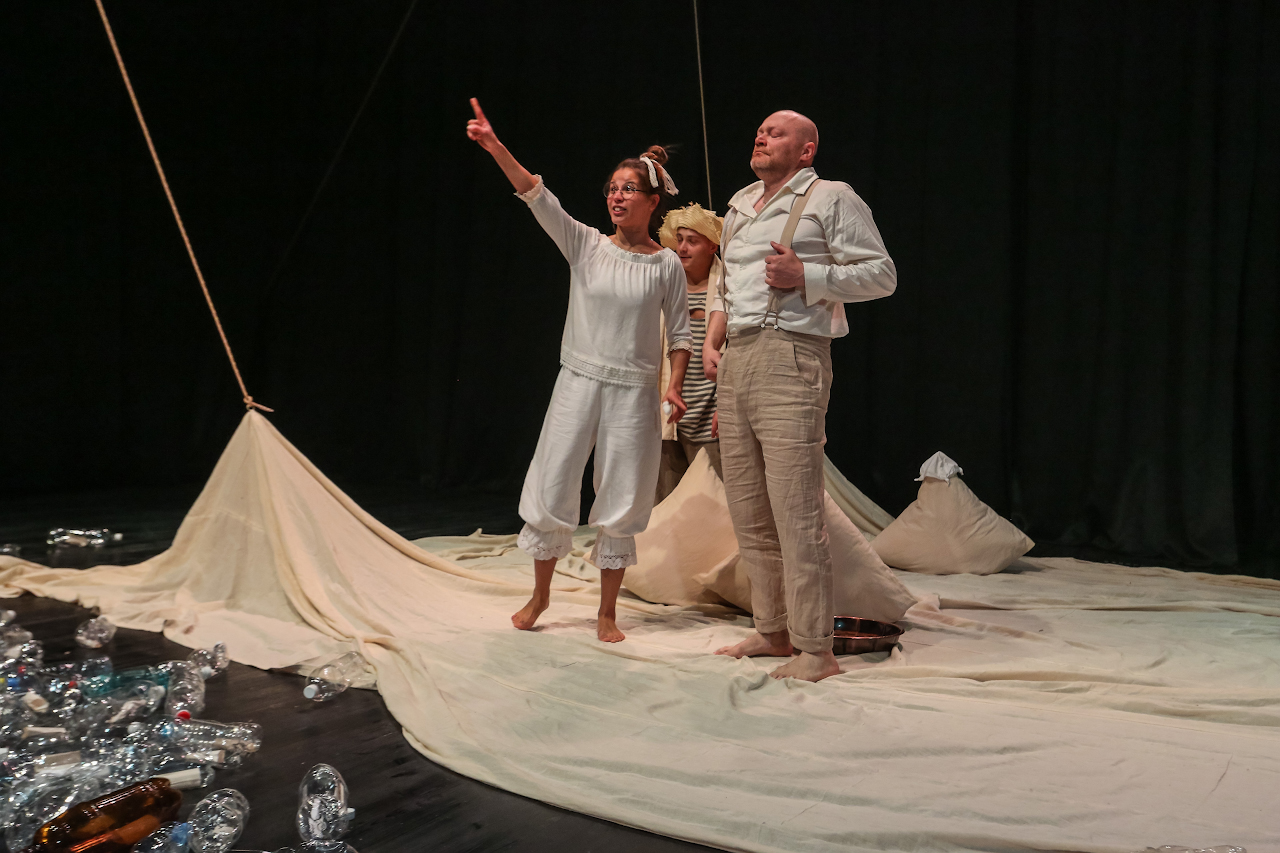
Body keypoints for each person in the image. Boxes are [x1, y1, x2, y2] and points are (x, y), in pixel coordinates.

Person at [465, 98, 692, 643]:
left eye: (628, 189)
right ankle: (540, 594)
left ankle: (607, 611)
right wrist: (495, 146)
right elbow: (536, 195)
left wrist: (675, 387)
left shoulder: (666, 264)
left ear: (652, 201)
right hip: (579, 381)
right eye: (612, 188)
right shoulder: (585, 244)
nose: (617, 196)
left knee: (622, 495)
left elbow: (681, 334)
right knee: (555, 479)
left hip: (634, 392)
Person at [710, 110, 897, 681]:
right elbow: (725, 282)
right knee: (748, 508)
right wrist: (715, 340)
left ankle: (816, 649)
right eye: (760, 130)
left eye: (776, 132)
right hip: (738, 357)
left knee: (796, 509)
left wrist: (809, 276)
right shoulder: (741, 203)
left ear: (807, 150)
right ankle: (772, 629)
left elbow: (882, 274)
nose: (761, 136)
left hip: (791, 354)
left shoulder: (830, 196)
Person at [654, 204, 724, 502]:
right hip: (669, 412)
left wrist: (728, 406)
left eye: (692, 241)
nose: (682, 248)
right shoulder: (663, 285)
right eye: (679, 239)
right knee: (667, 504)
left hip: (711, 413)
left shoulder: (728, 288)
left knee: (717, 503)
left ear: (712, 246)